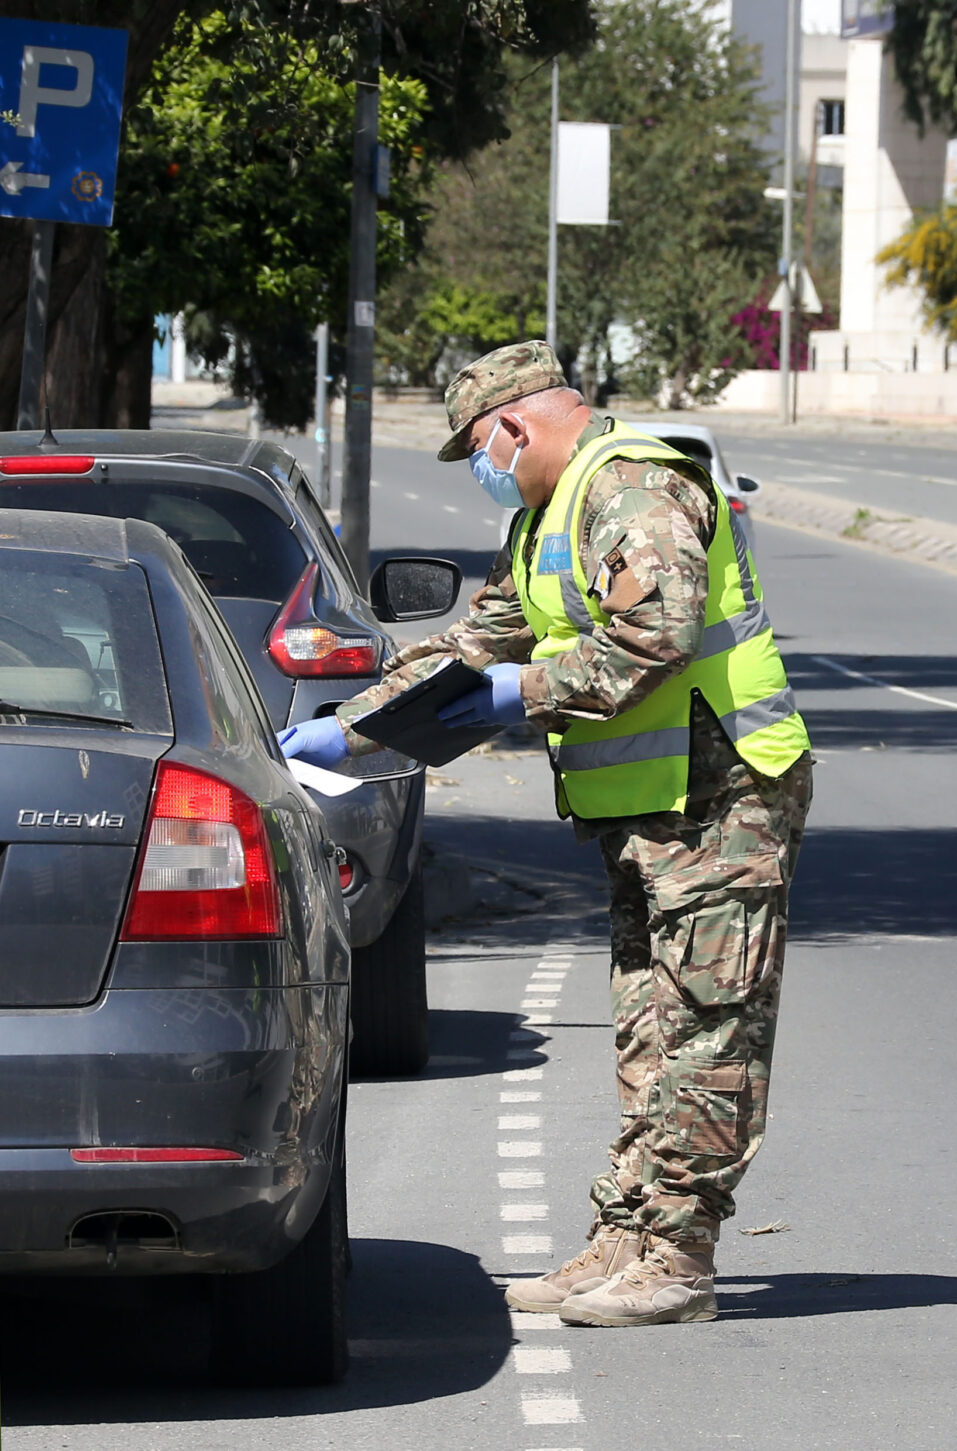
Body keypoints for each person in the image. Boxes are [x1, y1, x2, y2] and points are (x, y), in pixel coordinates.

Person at [279, 341, 813, 1328]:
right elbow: (470, 645)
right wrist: (349, 727)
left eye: (481, 449)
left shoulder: (635, 489)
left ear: (517, 424)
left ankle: (678, 1258)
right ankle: (627, 1232)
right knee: (649, 1033)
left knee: (707, 1028)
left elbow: (654, 637)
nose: (484, 473)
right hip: (646, 807)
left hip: (721, 793)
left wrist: (515, 692)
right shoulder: (546, 518)